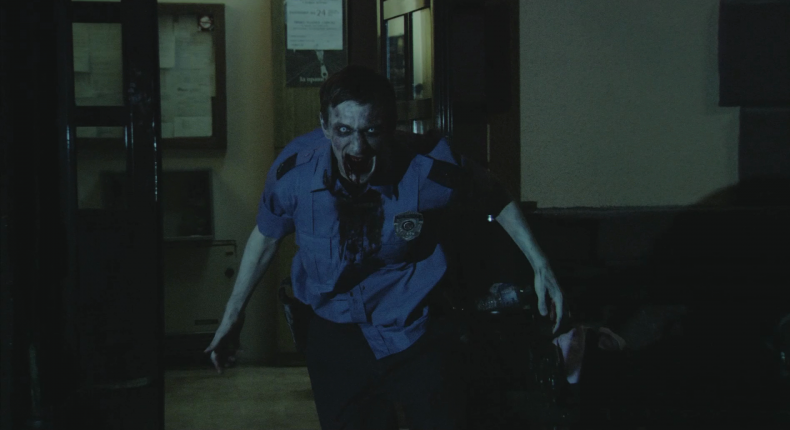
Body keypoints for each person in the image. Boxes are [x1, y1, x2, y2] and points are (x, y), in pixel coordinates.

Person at [204, 65, 565, 430]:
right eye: (344, 131)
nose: (357, 148)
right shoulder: (294, 174)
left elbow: (494, 194)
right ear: (325, 126)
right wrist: (233, 315)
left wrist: (541, 265)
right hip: (336, 335)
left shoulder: (428, 169)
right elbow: (266, 236)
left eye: (371, 131)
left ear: (390, 128)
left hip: (414, 330)